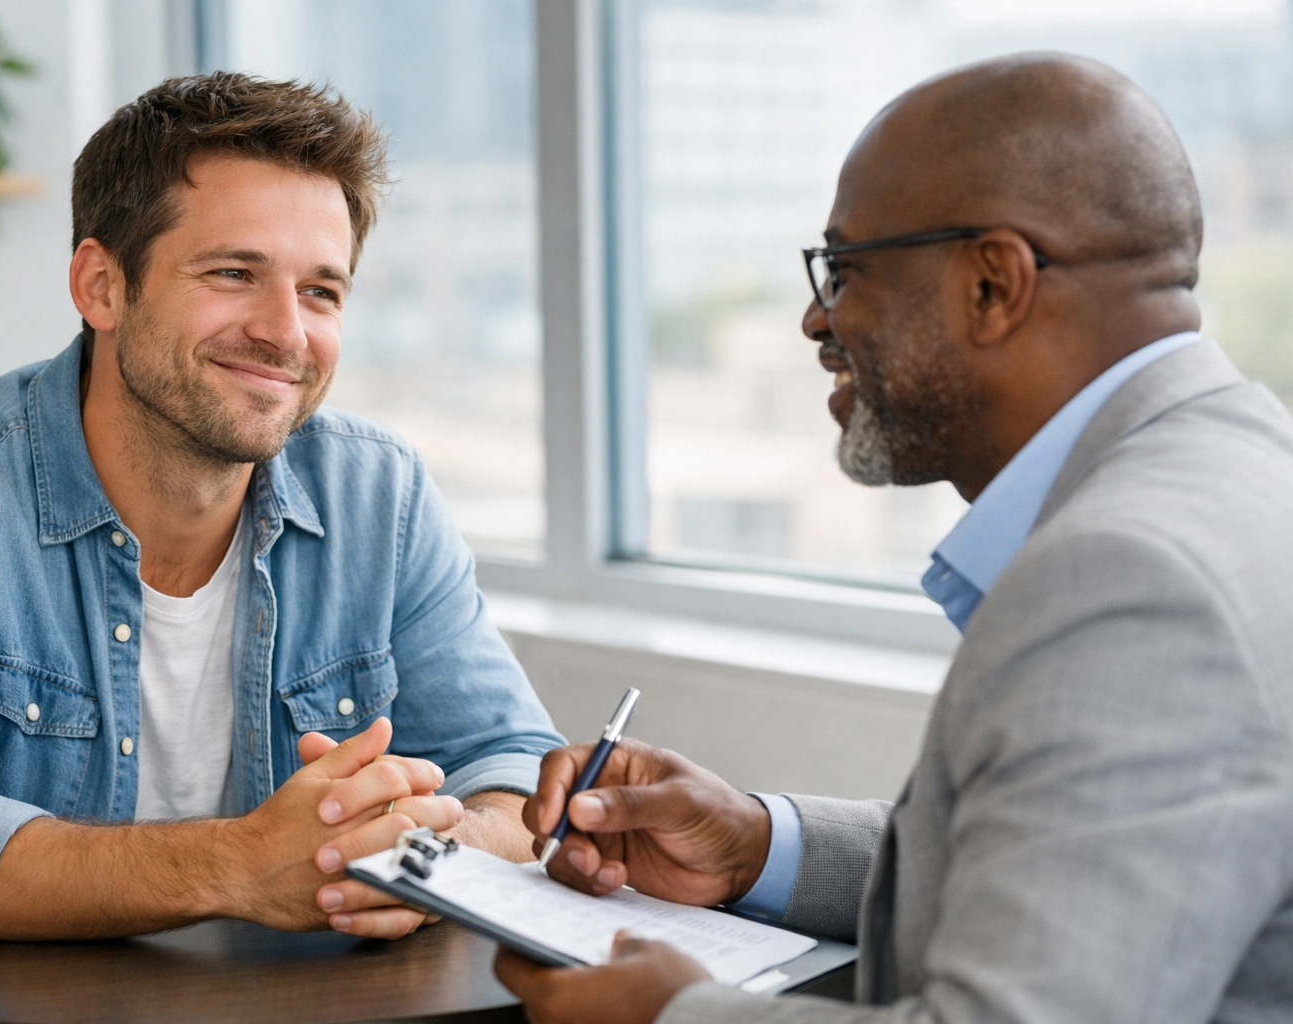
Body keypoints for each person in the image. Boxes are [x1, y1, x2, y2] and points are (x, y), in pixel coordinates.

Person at [495, 52, 1293, 1024]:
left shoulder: (1130, 576)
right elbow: (1068, 859)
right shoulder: (1239, 462)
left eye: (845, 269)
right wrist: (755, 843)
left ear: (993, 284)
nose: (814, 319)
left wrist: (676, 1014)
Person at [0, 73, 564, 1022]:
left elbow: (517, 770)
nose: (284, 332)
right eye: (233, 273)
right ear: (101, 284)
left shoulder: (378, 494)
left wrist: (416, 852)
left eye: (321, 290)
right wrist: (244, 864)